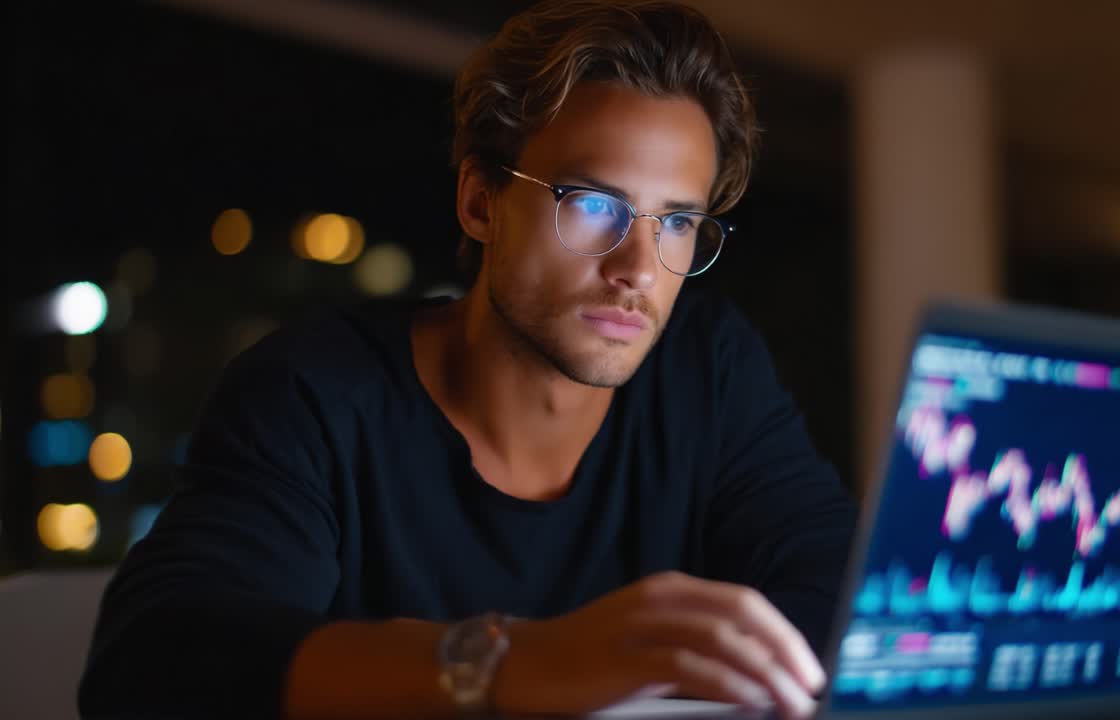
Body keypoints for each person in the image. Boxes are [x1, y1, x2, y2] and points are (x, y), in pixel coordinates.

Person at [78, 2, 855, 718]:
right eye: (593, 206)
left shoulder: (706, 364)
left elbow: (840, 596)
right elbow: (151, 664)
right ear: (480, 201)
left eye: (677, 222)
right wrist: (508, 664)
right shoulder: (316, 389)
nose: (639, 270)